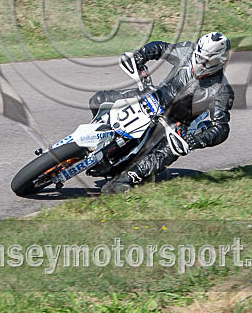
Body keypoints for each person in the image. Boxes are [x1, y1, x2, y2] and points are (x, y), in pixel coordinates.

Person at [90, 32, 235, 194]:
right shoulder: (187, 50)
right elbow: (161, 47)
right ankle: (95, 137)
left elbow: (222, 128)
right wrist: (141, 55)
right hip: (154, 97)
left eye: (208, 60)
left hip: (176, 123)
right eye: (199, 56)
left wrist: (194, 141)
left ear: (221, 61)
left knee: (169, 150)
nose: (201, 62)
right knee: (99, 99)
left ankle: (125, 180)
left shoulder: (221, 90)